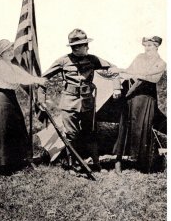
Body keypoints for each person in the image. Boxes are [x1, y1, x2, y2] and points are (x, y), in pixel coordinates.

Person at [41, 28, 121, 172]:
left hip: (87, 103)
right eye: (85, 45)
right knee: (71, 135)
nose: (87, 47)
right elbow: (43, 78)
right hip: (68, 103)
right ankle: (73, 166)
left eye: (86, 44)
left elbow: (114, 68)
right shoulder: (63, 61)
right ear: (76, 47)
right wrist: (41, 98)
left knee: (90, 133)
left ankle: (97, 164)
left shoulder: (93, 59)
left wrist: (117, 88)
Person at [0, 39, 46, 175]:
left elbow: (24, 75)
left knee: (14, 128)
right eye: (6, 51)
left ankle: (13, 162)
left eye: (10, 49)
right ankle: (0, 166)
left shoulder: (11, 66)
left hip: (10, 98)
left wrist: (37, 79)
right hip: (2, 99)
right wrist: (37, 80)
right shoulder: (0, 66)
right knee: (3, 130)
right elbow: (15, 79)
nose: (9, 52)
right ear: (1, 54)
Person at [109, 36, 166, 174]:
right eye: (145, 45)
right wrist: (122, 74)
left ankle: (143, 163)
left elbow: (151, 78)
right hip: (132, 97)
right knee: (124, 127)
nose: (147, 48)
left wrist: (123, 70)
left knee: (144, 129)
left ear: (157, 46)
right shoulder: (139, 58)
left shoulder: (161, 63)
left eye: (150, 46)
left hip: (147, 100)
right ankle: (118, 161)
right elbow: (130, 73)